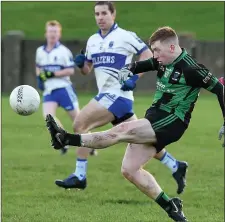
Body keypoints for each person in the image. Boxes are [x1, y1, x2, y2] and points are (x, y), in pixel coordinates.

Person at [46, 26, 225, 222]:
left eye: (157, 50)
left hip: (172, 121)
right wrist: (128, 69)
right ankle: (171, 206)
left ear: (172, 47)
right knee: (129, 170)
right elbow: (145, 64)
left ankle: (65, 138)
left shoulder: (192, 69)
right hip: (155, 116)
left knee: (122, 130)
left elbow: (220, 89)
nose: (154, 55)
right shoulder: (163, 60)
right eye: (153, 50)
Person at [56, 1, 188, 195]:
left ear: (113, 14)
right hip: (107, 96)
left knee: (79, 124)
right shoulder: (92, 40)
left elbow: (147, 54)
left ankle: (80, 175)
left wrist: (134, 77)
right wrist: (81, 65)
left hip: (117, 95)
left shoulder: (125, 36)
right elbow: (87, 70)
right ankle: (176, 165)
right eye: (96, 14)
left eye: (103, 13)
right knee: (139, 139)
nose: (100, 17)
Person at [35, 20, 80, 154]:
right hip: (49, 91)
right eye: (50, 31)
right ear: (46, 33)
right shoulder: (40, 51)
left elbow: (70, 70)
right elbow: (38, 67)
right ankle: (64, 140)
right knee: (49, 117)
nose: (52, 34)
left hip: (63, 88)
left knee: (78, 121)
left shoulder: (63, 51)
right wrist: (40, 77)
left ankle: (91, 145)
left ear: (59, 34)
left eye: (55, 32)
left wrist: (52, 73)